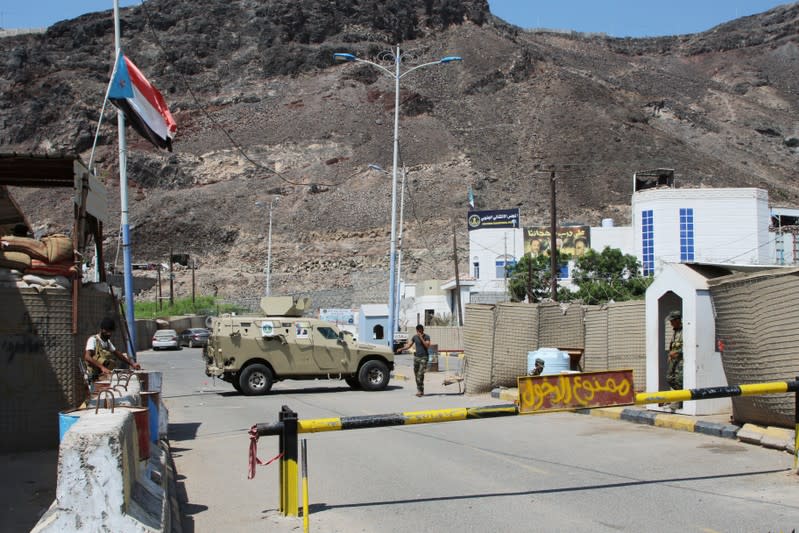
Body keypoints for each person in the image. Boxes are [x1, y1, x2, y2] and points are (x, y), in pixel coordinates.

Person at [84, 317, 140, 384]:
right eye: (107, 331)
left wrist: (132, 364)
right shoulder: (93, 340)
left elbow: (118, 354)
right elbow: (87, 357)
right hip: (92, 377)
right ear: (102, 330)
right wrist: (102, 367)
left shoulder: (107, 342)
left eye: (111, 331)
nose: (109, 334)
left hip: (102, 376)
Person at [396, 324, 431, 397]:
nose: (418, 332)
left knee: (420, 374)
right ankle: (420, 389)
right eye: (417, 330)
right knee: (416, 374)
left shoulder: (426, 337)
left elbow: (427, 346)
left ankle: (420, 391)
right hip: (416, 358)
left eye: (420, 330)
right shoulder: (415, 337)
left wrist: (421, 338)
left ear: (422, 330)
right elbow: (409, 345)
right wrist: (401, 349)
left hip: (424, 357)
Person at [665, 310, 683, 410]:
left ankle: (679, 401)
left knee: (679, 381)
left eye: (672, 320)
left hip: (680, 362)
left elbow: (687, 346)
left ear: (677, 320)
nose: (671, 323)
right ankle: (678, 400)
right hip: (674, 361)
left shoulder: (684, 331)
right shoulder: (675, 331)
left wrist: (677, 352)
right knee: (670, 378)